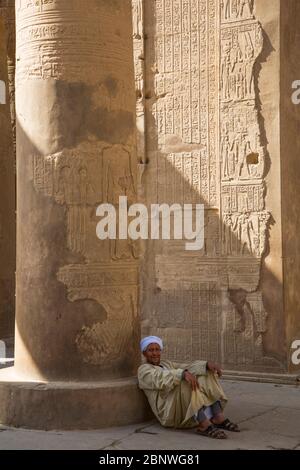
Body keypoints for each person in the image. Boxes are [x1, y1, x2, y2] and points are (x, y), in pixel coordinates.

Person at [138, 336, 240, 439]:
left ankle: (218, 417)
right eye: (150, 350)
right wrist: (182, 374)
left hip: (180, 403)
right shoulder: (143, 370)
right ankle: (204, 425)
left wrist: (206, 365)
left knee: (205, 372)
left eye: (157, 350)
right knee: (185, 381)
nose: (155, 353)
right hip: (168, 411)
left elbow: (187, 367)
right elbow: (159, 378)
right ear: (144, 353)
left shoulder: (166, 363)